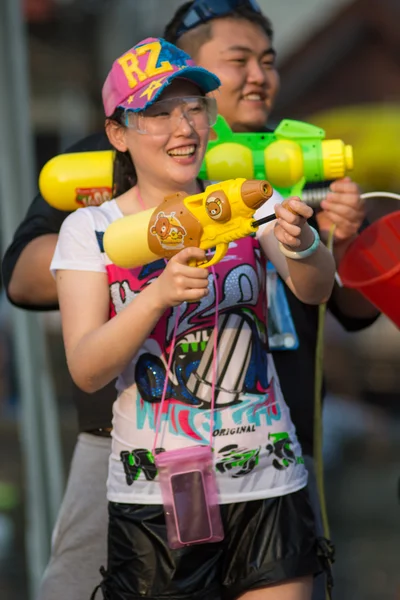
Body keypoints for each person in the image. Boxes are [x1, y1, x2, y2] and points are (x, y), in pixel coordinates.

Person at [1, 1, 379, 599]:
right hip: (160, 489)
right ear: (118, 133)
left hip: (270, 478)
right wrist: (154, 296)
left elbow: (315, 288)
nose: (184, 127)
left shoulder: (247, 197)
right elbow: (87, 364)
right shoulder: (89, 226)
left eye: (194, 108)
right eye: (159, 113)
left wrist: (304, 242)